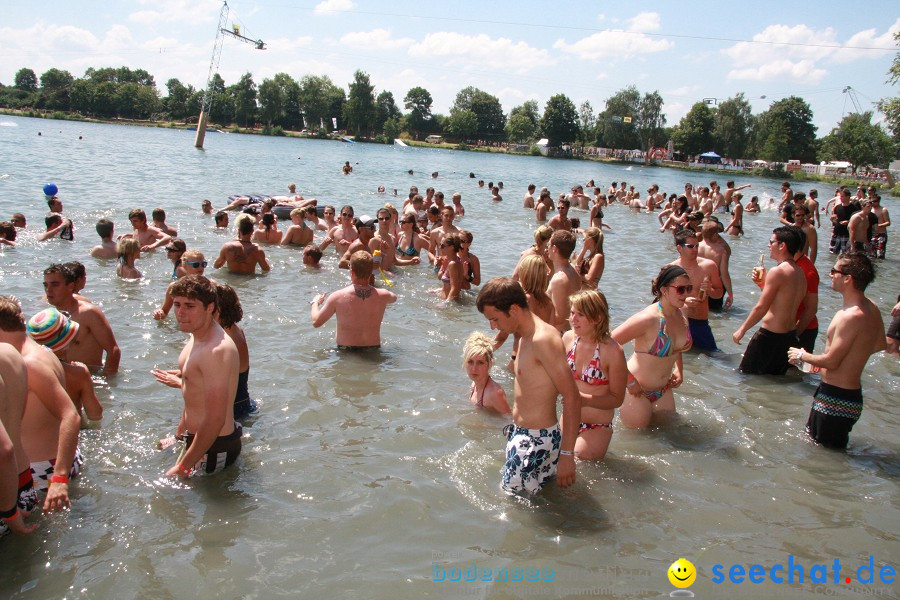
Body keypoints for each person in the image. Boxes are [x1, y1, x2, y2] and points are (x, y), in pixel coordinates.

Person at [476, 278, 579, 494]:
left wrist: (568, 455)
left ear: (513, 310)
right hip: (527, 436)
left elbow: (571, 396)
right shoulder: (524, 334)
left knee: (511, 504)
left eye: (494, 319)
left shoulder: (542, 339)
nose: (493, 326)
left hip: (536, 441)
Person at [787, 253, 886, 449]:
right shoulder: (871, 307)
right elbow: (880, 345)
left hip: (835, 399)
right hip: (850, 397)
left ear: (848, 278)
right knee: (825, 454)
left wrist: (801, 355)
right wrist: (853, 359)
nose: (831, 274)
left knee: (819, 461)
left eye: (835, 271)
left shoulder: (850, 316)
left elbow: (831, 361)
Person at [151, 276, 241, 477]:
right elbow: (195, 392)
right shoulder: (197, 335)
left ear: (210, 308)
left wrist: (183, 466)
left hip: (214, 447)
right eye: (177, 304)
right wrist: (179, 437)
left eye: (190, 306)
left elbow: (215, 418)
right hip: (197, 440)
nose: (181, 313)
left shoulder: (216, 351)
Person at [0, 296, 80, 512]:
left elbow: (70, 416)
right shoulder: (41, 349)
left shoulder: (29, 363)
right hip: (57, 461)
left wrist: (59, 479)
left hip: (44, 471)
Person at [611, 266, 692, 428]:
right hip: (636, 392)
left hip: (664, 390)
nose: (686, 294)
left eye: (689, 289)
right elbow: (608, 344)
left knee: (671, 434)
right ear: (664, 290)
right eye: (680, 289)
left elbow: (677, 346)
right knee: (639, 440)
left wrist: (679, 369)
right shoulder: (648, 318)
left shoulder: (682, 314)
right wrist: (629, 381)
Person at [561, 290, 626, 459]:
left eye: (580, 315)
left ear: (598, 318)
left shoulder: (612, 351)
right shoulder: (568, 339)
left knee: (579, 462)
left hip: (597, 426)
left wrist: (583, 399)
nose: (573, 319)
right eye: (572, 312)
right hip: (568, 418)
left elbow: (617, 399)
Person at [733, 227, 806, 375]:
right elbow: (781, 302)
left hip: (769, 337)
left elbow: (761, 307)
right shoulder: (800, 273)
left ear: (782, 245)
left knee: (744, 377)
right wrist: (762, 284)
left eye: (771, 242)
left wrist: (742, 330)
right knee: (773, 379)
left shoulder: (777, 271)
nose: (768, 245)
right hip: (789, 338)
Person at [26, 308, 103, 429]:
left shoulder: (29, 370)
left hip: (42, 433)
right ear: (69, 339)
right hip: (75, 431)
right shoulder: (78, 372)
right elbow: (95, 414)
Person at [310, 251, 397, 350]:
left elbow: (316, 322)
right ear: (371, 271)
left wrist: (315, 302)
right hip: (374, 351)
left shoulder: (337, 297)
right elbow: (394, 298)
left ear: (352, 271)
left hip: (345, 353)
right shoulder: (383, 295)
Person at [43, 264, 121, 375]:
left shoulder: (88, 313)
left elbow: (113, 350)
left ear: (70, 286)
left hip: (91, 379)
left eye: (55, 285)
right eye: (45, 285)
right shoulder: (50, 317)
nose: (48, 290)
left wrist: (106, 382)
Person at [0, 343, 38, 536]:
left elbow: (3, 450)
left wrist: (8, 512)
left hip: (5, 500)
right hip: (23, 481)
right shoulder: (10, 352)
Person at [669, 229, 723, 352]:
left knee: (712, 355)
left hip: (700, 322)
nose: (695, 249)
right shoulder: (671, 269)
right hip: (678, 321)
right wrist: (684, 301)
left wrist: (710, 290)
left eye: (697, 245)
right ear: (679, 248)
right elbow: (664, 299)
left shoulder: (709, 266)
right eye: (690, 246)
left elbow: (719, 294)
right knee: (680, 358)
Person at [214, 285, 256, 419]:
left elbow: (216, 384)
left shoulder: (225, 341)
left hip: (233, 409)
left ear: (217, 310)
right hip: (243, 402)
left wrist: (181, 382)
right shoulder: (235, 329)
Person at [461, 332, 511, 415]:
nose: (474, 368)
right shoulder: (474, 384)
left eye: (480, 363)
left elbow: (510, 420)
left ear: (489, 364)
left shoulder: (495, 393)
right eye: (470, 362)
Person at [154, 251, 209, 320]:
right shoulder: (174, 286)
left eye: (203, 264)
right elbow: (164, 311)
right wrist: (159, 314)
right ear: (184, 265)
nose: (201, 268)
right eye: (196, 265)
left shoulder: (208, 286)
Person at [547, 230, 582, 333]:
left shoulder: (559, 280)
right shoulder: (573, 270)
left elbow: (559, 317)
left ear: (554, 249)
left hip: (559, 334)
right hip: (568, 330)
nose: (547, 248)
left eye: (549, 244)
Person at [698, 221, 733, 311]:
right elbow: (724, 274)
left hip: (697, 285)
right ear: (715, 235)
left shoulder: (695, 247)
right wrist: (730, 294)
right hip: (714, 288)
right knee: (715, 313)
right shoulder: (721, 250)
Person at [436, 232, 464, 301]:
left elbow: (455, 288)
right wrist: (443, 266)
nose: (439, 247)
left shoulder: (453, 264)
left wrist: (445, 303)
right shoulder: (449, 260)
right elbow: (440, 278)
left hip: (449, 301)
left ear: (452, 247)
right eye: (439, 245)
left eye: (442, 246)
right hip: (445, 298)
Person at [829, 188, 856, 255]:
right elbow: (835, 219)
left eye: (842, 196)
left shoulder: (854, 208)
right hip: (836, 233)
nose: (840, 198)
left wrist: (848, 222)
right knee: (833, 253)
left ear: (848, 197)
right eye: (840, 196)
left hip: (846, 234)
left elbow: (857, 221)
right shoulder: (837, 207)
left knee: (846, 254)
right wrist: (832, 219)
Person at [870, 195, 890, 259]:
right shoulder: (870, 209)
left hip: (881, 234)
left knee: (880, 255)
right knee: (872, 255)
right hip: (872, 234)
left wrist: (879, 225)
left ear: (878, 201)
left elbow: (888, 222)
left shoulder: (883, 210)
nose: (872, 203)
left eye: (874, 201)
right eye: (871, 201)